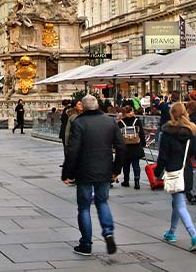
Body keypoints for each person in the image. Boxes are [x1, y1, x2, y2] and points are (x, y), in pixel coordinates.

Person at [61, 94, 125, 257]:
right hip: (104, 170)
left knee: (84, 207)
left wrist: (66, 172)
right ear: (97, 105)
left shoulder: (79, 122)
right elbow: (121, 147)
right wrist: (116, 170)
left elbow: (72, 149)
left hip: (84, 171)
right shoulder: (109, 121)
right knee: (102, 202)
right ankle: (108, 232)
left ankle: (86, 244)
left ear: (82, 106)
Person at [156, 102, 196, 251]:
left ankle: (194, 236)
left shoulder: (166, 134)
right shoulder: (190, 133)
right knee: (177, 202)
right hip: (186, 172)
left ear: (171, 114)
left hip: (173, 172)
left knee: (180, 204)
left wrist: (157, 173)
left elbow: (162, 157)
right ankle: (172, 232)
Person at [117, 104, 145, 189]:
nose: (133, 112)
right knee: (136, 164)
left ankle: (126, 180)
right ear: (129, 112)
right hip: (136, 146)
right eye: (132, 111)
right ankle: (137, 181)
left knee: (126, 165)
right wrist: (143, 143)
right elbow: (141, 133)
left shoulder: (120, 123)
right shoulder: (137, 121)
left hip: (126, 147)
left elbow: (118, 136)